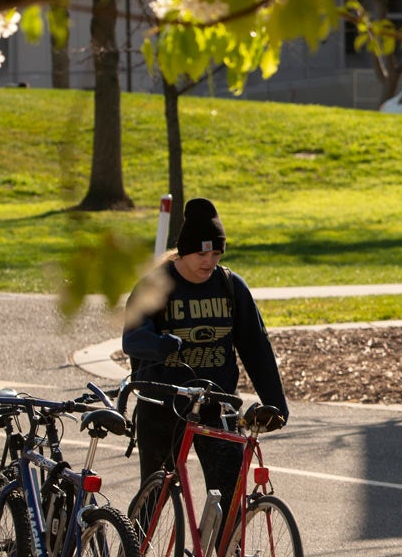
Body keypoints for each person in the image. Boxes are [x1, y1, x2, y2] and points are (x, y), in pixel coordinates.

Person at [122, 197, 290, 506]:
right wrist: (159, 343)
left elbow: (256, 347)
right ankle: (134, 553)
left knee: (230, 501)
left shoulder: (230, 286)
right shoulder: (156, 285)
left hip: (217, 404)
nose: (209, 261)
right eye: (201, 253)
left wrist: (276, 404)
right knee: (154, 498)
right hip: (164, 406)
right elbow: (131, 339)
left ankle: (225, 553)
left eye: (216, 253)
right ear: (184, 251)